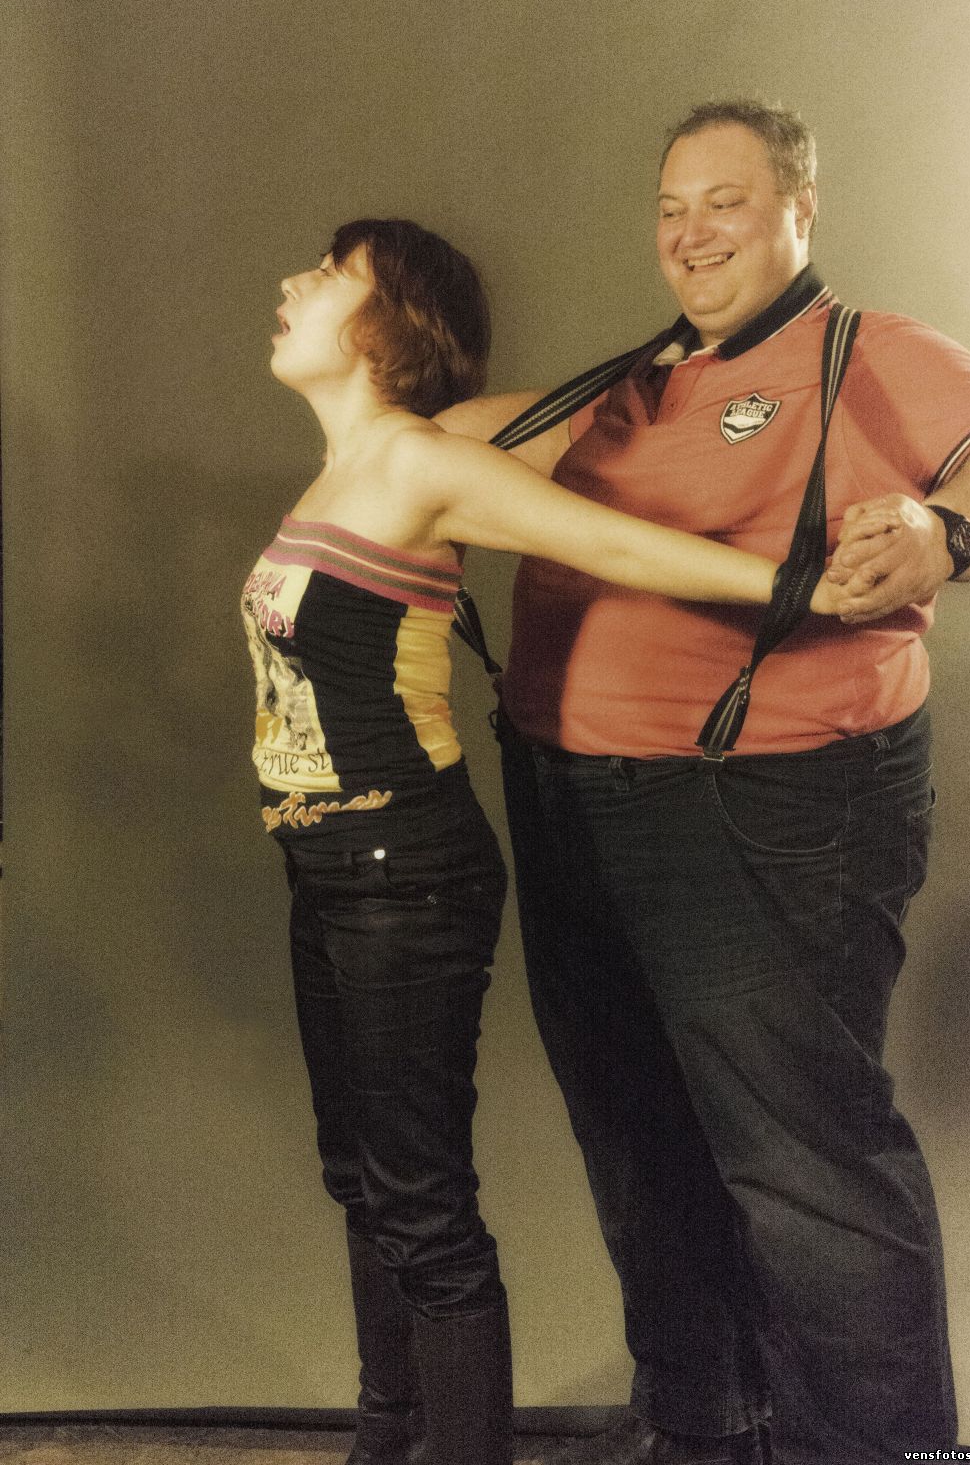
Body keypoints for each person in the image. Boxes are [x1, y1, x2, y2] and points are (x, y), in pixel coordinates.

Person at [439, 101, 970, 1465]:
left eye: (723, 200)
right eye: (670, 207)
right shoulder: (629, 387)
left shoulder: (864, 354)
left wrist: (943, 532)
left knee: (802, 1159)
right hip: (571, 804)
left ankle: (866, 1451)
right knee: (638, 1141)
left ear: (797, 210)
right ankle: (700, 1426)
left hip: (760, 809)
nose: (690, 232)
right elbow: (439, 446)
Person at [240, 217, 852, 1465]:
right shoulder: (349, 469)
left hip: (402, 876)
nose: (295, 281)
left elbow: (610, 540)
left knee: (422, 1205)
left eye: (333, 273)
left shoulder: (421, 463)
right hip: (325, 867)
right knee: (361, 1177)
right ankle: (387, 1437)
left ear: (392, 325)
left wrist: (801, 582)